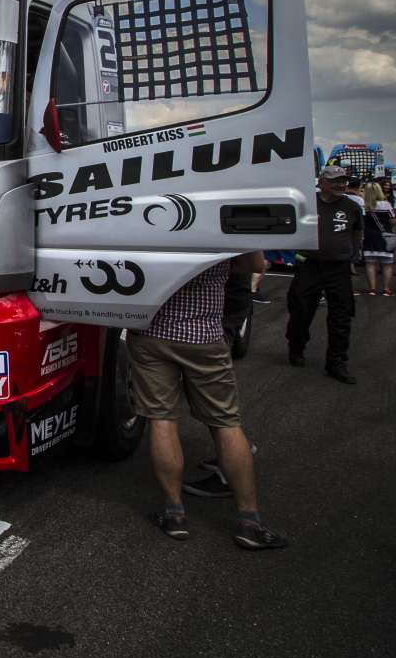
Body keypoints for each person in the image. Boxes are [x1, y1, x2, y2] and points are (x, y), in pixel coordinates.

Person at [130, 251, 286, 549]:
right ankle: (249, 521)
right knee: (225, 422)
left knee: (162, 419)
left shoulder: (145, 212)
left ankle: (174, 513)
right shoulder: (218, 210)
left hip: (150, 330)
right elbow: (255, 264)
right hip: (203, 334)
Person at [285, 164, 362, 384]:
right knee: (300, 310)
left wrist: (352, 254)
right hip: (309, 266)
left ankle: (337, 361)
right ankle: (296, 346)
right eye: (335, 181)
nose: (341, 185)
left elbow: (357, 231)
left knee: (341, 315)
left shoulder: (351, 206)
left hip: (338, 268)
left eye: (343, 181)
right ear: (321, 182)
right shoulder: (308, 203)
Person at [361, 181, 396, 297]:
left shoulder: (364, 205)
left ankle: (372, 289)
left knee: (370, 264)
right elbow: (393, 220)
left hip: (369, 237)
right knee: (387, 264)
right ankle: (386, 289)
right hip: (385, 237)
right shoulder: (386, 204)